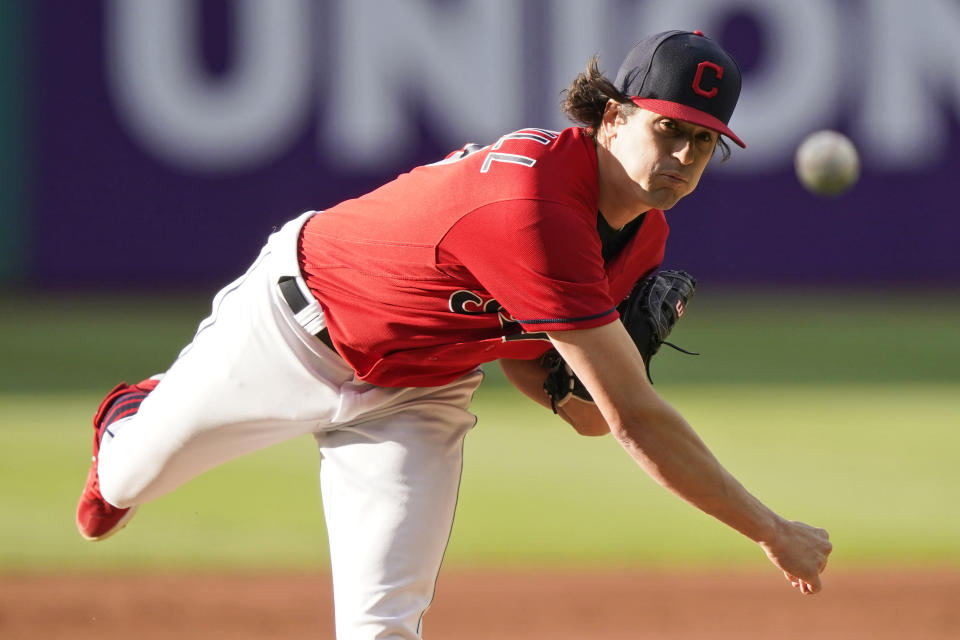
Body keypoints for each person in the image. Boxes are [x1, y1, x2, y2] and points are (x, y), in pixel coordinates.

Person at [76, 30, 832, 639]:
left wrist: (602, 387)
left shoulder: (643, 238)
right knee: (120, 487)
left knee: (383, 626)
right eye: (668, 129)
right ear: (612, 118)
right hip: (290, 330)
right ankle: (129, 416)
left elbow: (559, 388)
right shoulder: (534, 206)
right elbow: (635, 420)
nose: (683, 156)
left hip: (420, 388)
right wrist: (769, 529)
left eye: (704, 143)